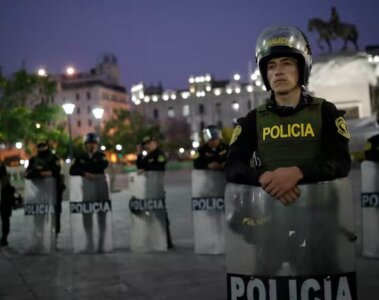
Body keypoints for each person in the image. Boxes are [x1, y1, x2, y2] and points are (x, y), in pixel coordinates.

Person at [225, 25, 351, 206]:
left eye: (287, 63)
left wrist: (297, 173)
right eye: (271, 66)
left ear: (302, 68)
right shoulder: (253, 120)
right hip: (268, 216)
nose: (278, 72)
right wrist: (262, 177)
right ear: (265, 74)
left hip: (319, 216)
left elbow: (341, 162)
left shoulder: (326, 112)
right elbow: (232, 167)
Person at [69, 132, 109, 252]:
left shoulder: (101, 156)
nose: (91, 146)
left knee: (102, 216)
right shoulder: (81, 157)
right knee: (87, 216)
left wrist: (89, 164)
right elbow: (72, 170)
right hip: (87, 190)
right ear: (85, 145)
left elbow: (102, 166)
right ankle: (89, 243)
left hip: (101, 190)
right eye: (89, 144)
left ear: (97, 145)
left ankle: (101, 244)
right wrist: (84, 173)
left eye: (93, 143)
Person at [136, 136, 173, 248]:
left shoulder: (159, 154)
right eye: (145, 144)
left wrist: (145, 169)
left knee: (160, 214)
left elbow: (159, 166)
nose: (147, 146)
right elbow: (139, 166)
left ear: (155, 143)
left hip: (157, 189)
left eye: (149, 143)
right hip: (149, 189)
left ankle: (167, 240)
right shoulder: (147, 156)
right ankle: (154, 239)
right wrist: (139, 154)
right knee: (149, 214)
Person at [24, 140, 62, 236]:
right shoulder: (33, 160)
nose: (41, 148)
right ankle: (39, 234)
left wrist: (49, 173)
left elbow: (57, 170)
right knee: (39, 214)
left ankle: (54, 236)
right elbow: (27, 173)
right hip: (39, 191)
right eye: (40, 146)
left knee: (54, 213)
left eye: (43, 146)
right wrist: (37, 173)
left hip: (53, 190)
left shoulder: (53, 158)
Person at [0, 163, 16, 247]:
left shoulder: (5, 181)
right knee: (5, 221)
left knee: (5, 221)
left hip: (4, 204)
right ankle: (4, 238)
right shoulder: (6, 181)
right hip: (4, 204)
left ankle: (4, 238)